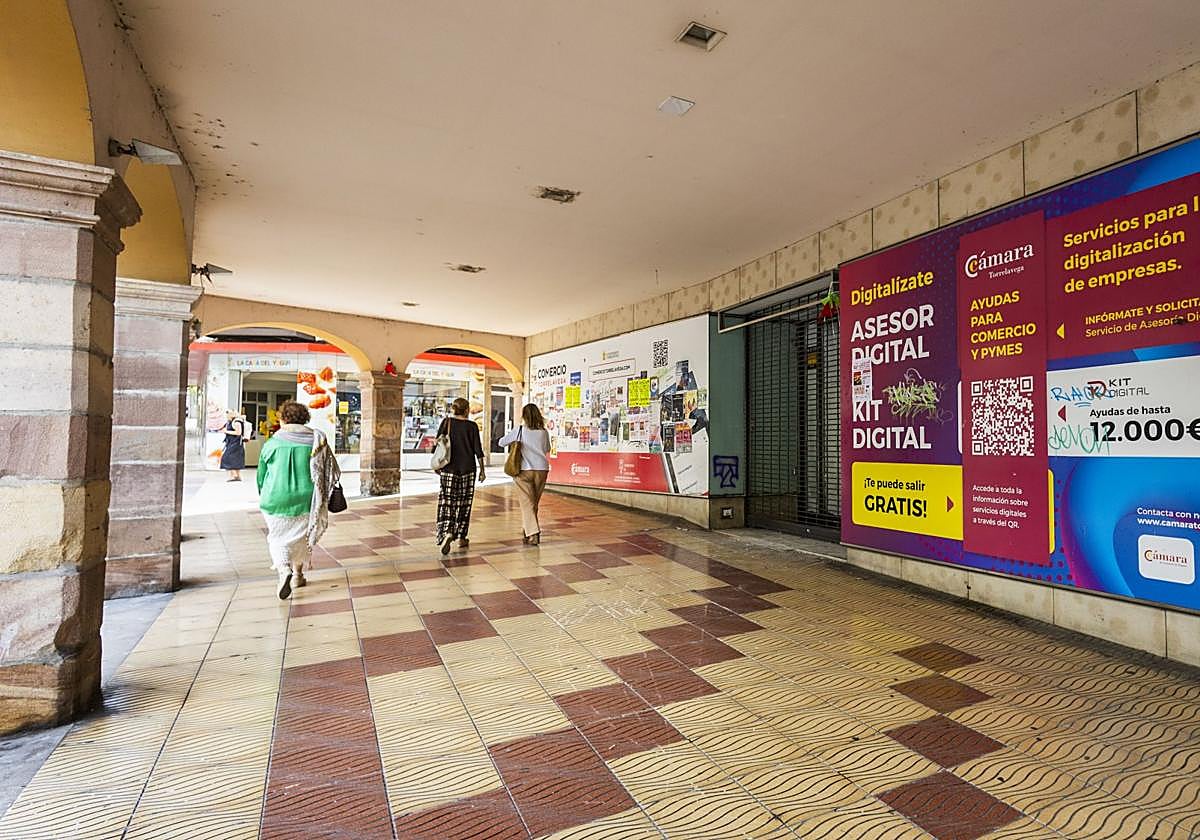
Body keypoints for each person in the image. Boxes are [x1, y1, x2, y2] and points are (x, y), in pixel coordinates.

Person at [257, 400, 341, 599]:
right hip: (308, 497)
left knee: (278, 538)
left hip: (275, 498)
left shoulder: (273, 443)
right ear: (305, 418)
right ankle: (297, 575)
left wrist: (263, 493)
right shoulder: (316, 440)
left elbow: (261, 475)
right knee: (301, 536)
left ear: (283, 418)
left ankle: (284, 569)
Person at [434, 397, 485, 555]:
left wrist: (437, 463)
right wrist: (482, 470)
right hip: (468, 469)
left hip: (449, 468)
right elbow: (478, 449)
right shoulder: (472, 426)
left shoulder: (446, 422)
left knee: (447, 501)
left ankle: (447, 532)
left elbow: (439, 442)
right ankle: (462, 536)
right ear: (467, 410)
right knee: (464, 503)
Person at [497, 403, 551, 546]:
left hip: (524, 471)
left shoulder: (519, 430)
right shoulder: (543, 432)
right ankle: (527, 531)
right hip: (542, 470)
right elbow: (547, 449)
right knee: (533, 504)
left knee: (527, 504)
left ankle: (534, 534)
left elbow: (501, 442)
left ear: (524, 416)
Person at [220, 410, 250, 481]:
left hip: (235, 443)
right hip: (235, 443)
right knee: (236, 459)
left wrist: (226, 431)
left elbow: (238, 433)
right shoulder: (235, 421)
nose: (226, 417)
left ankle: (234, 475)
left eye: (227, 415)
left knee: (228, 458)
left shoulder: (236, 422)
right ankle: (237, 476)